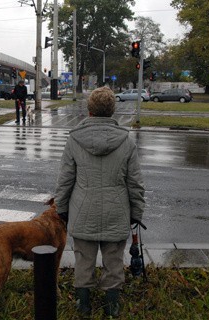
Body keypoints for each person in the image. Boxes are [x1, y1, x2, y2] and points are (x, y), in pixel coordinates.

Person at [54, 86, 145, 317]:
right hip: (117, 213)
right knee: (114, 262)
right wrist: (137, 213)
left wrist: (61, 210)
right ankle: (112, 307)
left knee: (83, 261)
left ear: (90, 111)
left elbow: (65, 181)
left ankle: (83, 306)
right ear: (112, 111)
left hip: (83, 211)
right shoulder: (126, 141)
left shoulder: (74, 139)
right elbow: (135, 184)